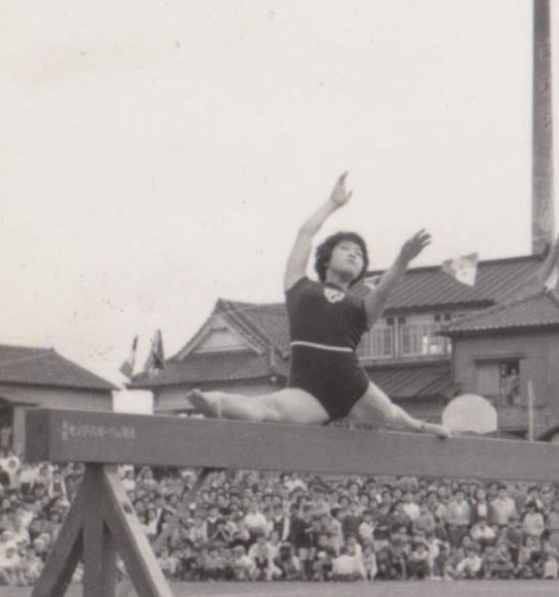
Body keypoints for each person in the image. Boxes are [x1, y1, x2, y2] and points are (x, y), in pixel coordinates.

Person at [188, 174, 449, 436]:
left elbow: (385, 287)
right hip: (309, 388)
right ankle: (217, 401)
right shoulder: (299, 286)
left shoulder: (361, 307)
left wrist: (403, 259)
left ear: (361, 269)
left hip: (352, 384)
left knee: (392, 415)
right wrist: (332, 204)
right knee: (268, 409)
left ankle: (421, 426)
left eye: (359, 255)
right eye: (346, 249)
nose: (353, 255)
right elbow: (305, 234)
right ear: (326, 258)